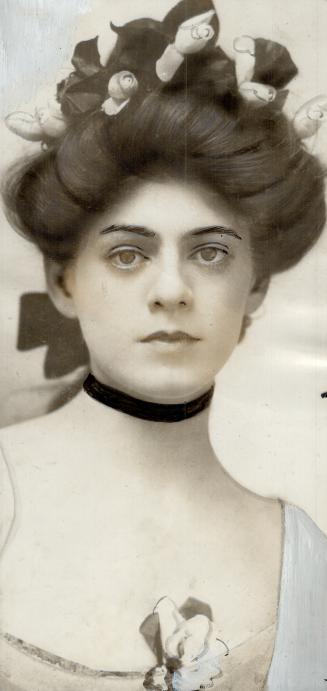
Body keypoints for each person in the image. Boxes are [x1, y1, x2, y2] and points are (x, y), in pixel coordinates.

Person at [0, 1, 326, 689]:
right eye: (126, 255)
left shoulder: (304, 559)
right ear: (63, 281)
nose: (170, 290)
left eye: (209, 253)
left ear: (257, 290)